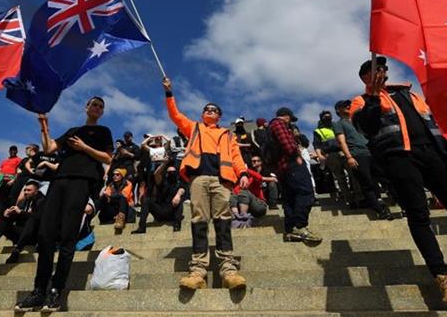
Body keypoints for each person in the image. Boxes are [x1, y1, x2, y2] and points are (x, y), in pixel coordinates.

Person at [350, 56, 447, 309]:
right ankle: (444, 279)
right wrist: (373, 96)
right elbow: (366, 127)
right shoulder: (361, 100)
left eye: (382, 67)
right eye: (373, 69)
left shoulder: (413, 96)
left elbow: (436, 125)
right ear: (365, 77)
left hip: (436, 157)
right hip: (399, 159)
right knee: (419, 215)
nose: (381, 71)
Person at [15, 96, 113, 312]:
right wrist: (44, 126)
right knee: (45, 235)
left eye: (100, 106)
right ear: (86, 107)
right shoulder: (72, 130)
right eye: (93, 105)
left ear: (102, 112)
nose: (96, 108)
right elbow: (50, 148)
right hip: (59, 180)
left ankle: (56, 290)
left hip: (82, 182)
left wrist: (84, 147)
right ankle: (39, 290)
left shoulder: (103, 131)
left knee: (68, 236)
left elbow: (107, 158)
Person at [162, 77, 249, 291]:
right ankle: (198, 270)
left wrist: (243, 172)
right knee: (199, 220)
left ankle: (228, 269)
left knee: (223, 220)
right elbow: (175, 115)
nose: (210, 111)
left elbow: (236, 156)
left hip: (222, 181)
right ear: (202, 114)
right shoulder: (194, 128)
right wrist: (169, 93)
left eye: (214, 109)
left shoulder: (227, 134)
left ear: (219, 116)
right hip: (198, 178)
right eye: (206, 109)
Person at [269, 108, 322, 244]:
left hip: (282, 169)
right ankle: (300, 226)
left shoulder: (272, 126)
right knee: (306, 193)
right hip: (291, 164)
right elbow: (286, 143)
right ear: (286, 116)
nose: (290, 123)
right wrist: (297, 156)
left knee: (290, 199)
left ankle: (290, 231)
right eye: (290, 120)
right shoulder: (278, 123)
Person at [333, 99, 392, 220]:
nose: (348, 106)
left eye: (349, 104)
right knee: (367, 183)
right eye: (344, 105)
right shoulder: (339, 124)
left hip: (370, 152)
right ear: (338, 110)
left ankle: (388, 201)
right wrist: (349, 157)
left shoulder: (357, 120)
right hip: (357, 154)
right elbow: (341, 141)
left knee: (382, 178)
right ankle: (380, 210)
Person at [313, 110, 354, 207]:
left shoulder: (338, 125)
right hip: (330, 155)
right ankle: (349, 200)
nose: (327, 117)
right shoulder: (318, 131)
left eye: (329, 116)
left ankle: (359, 197)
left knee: (353, 175)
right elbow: (316, 144)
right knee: (340, 178)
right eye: (325, 116)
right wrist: (320, 155)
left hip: (343, 152)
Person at [131, 161, 185, 234]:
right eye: (169, 172)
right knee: (147, 200)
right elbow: (156, 174)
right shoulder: (162, 182)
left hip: (172, 212)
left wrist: (178, 195)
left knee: (180, 199)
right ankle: (141, 228)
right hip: (160, 212)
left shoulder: (179, 183)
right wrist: (165, 163)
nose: (172, 174)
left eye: (173, 172)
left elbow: (182, 190)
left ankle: (177, 225)